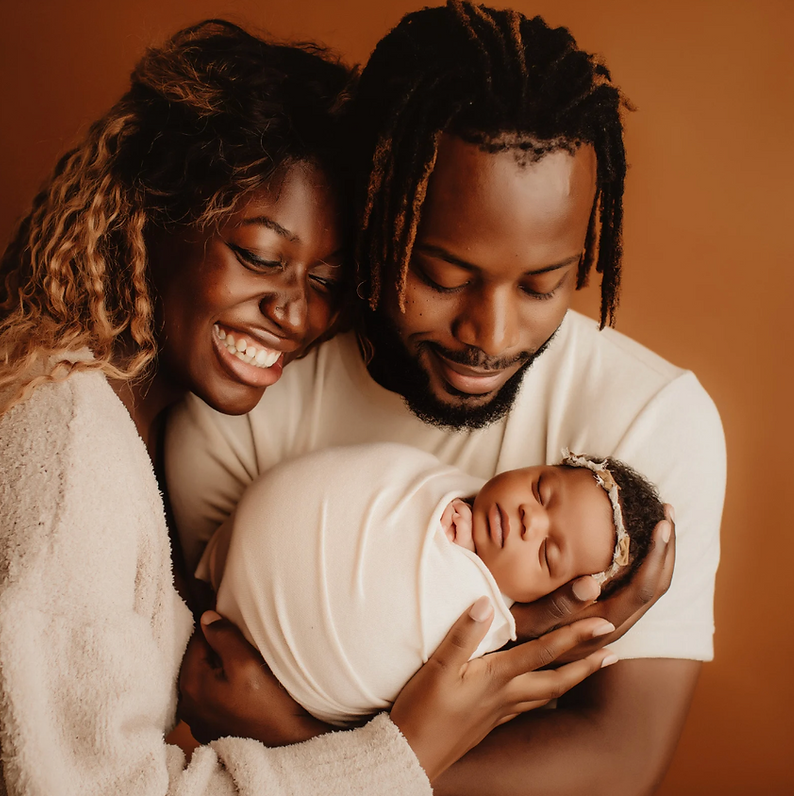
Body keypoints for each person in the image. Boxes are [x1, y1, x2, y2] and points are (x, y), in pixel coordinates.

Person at [0, 19, 618, 795]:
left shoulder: (91, 408)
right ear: (156, 213)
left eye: (325, 284)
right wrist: (405, 751)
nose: (295, 314)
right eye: (260, 257)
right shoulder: (68, 454)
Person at [165, 3, 726, 794]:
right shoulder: (247, 394)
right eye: (441, 275)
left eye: (543, 285)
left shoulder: (651, 421)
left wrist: (312, 747)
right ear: (376, 215)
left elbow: (616, 761)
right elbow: (211, 682)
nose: (489, 335)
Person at [197, 443, 660, 726]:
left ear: (556, 596)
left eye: (545, 553)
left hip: (272, 677)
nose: (528, 518)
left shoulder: (485, 632)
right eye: (541, 490)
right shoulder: (446, 483)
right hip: (220, 557)